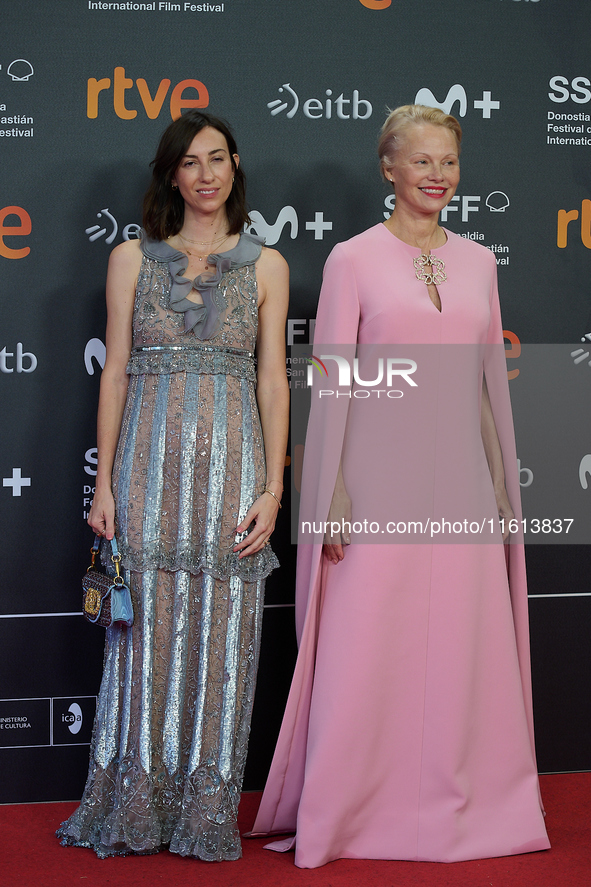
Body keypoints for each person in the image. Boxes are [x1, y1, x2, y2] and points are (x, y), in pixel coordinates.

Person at [250, 105, 550, 866]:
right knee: (365, 651)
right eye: (420, 161)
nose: (436, 176)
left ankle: (469, 808)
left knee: (461, 651)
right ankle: (354, 813)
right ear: (387, 167)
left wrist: (500, 489)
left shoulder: (480, 261)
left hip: (459, 488)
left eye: (446, 161)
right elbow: (332, 384)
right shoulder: (353, 260)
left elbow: (484, 390)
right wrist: (334, 491)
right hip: (374, 487)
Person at [57, 110, 289, 860]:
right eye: (190, 162)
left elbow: (273, 383)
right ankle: (131, 799)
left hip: (234, 471)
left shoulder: (268, 265)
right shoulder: (132, 260)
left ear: (235, 166)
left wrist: (271, 489)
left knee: (225, 633)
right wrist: (105, 484)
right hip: (146, 472)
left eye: (216, 158)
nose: (206, 173)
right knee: (143, 631)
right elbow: (117, 372)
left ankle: (203, 807)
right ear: (172, 175)